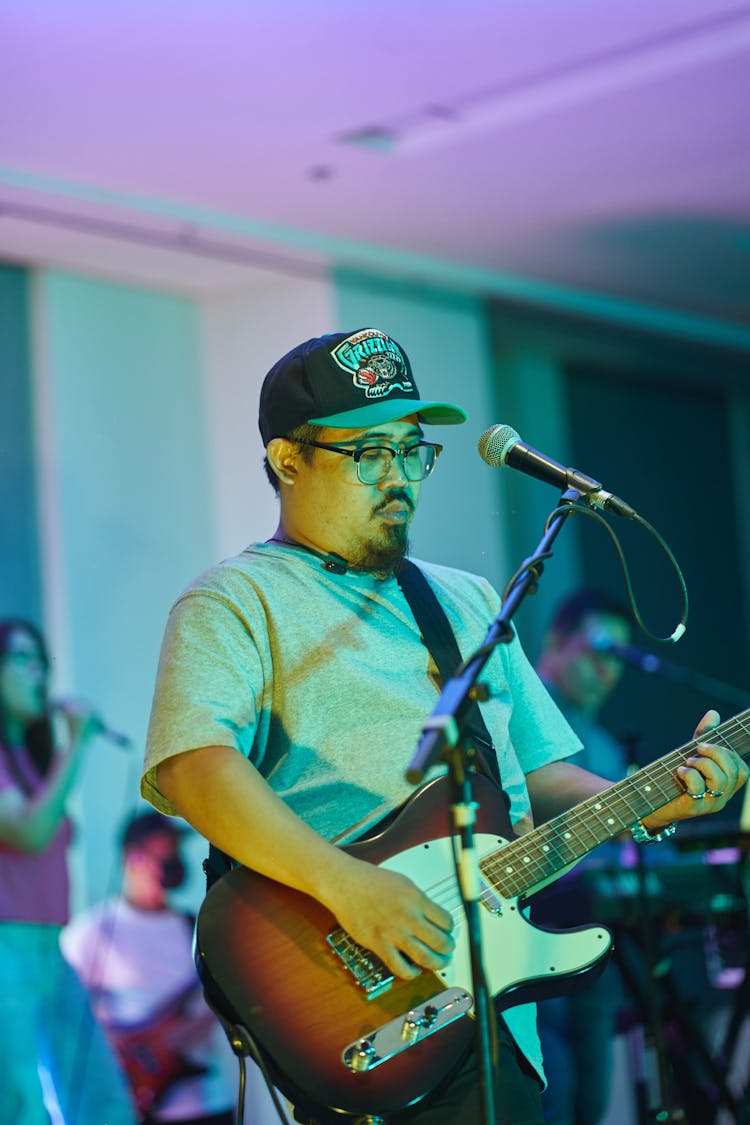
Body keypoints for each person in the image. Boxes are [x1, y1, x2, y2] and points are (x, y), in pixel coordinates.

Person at [139, 327, 747, 1125]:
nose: (399, 477)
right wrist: (349, 886)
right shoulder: (233, 601)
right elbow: (195, 766)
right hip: (356, 995)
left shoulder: (463, 600)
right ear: (288, 459)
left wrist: (654, 799)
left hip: (498, 1013)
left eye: (411, 450)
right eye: (369, 453)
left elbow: (539, 775)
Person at [0, 617, 137, 1125]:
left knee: (100, 1097)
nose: (38, 673)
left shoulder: (32, 763)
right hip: (6, 948)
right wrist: (76, 744)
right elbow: (29, 832)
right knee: (20, 1104)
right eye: (22, 658)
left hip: (49, 950)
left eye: (42, 661)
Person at [61, 810, 241, 1125]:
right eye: (165, 848)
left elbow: (216, 1005)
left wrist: (178, 1037)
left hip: (204, 1101)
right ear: (134, 855)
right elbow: (63, 1011)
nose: (173, 858)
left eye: (176, 848)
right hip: (129, 1103)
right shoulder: (92, 931)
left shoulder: (195, 928)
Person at [531, 589, 636, 1125]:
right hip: (531, 940)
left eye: (618, 657)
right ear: (555, 642)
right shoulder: (519, 722)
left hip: (594, 941)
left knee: (590, 1097)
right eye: (597, 649)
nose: (607, 668)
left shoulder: (606, 747)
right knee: (553, 1091)